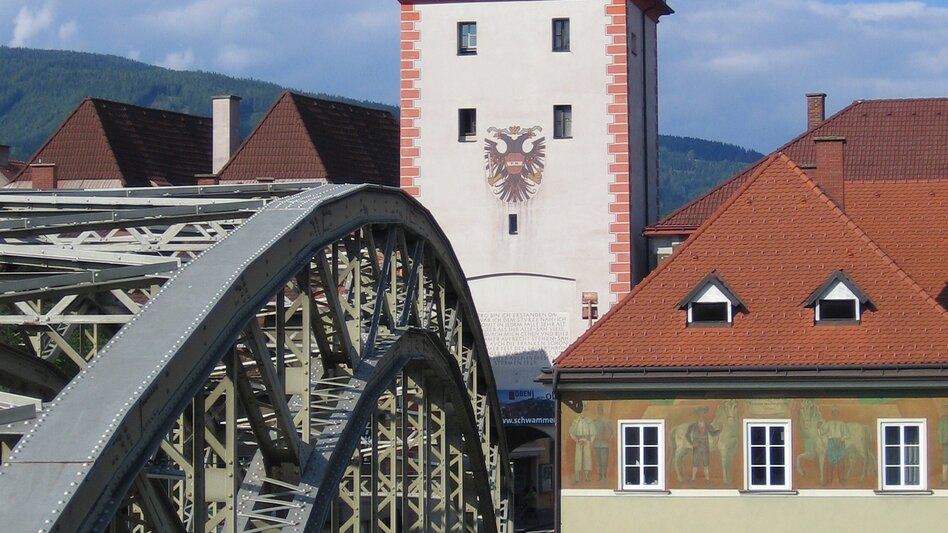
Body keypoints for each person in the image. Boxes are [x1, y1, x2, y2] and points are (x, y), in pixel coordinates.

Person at [686, 406, 720, 482]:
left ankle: (707, 479)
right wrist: (691, 443)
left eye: (702, 414)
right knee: (695, 463)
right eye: (699, 414)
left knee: (706, 463)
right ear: (697, 415)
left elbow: (713, 433)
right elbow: (687, 435)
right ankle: (693, 479)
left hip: (705, 446)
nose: (701, 416)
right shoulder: (692, 426)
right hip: (696, 447)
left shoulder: (708, 425)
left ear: (704, 415)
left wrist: (719, 430)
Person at [821, 405, 850, 486]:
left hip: (840, 442)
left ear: (839, 414)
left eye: (837, 413)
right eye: (834, 413)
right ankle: (829, 480)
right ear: (832, 414)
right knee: (829, 461)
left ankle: (841, 480)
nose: (835, 415)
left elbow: (848, 435)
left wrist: (840, 440)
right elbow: (822, 432)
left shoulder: (842, 424)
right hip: (831, 443)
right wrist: (819, 427)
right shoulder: (828, 424)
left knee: (841, 461)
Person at [569, 403, 596, 483]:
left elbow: (593, 433)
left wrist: (590, 442)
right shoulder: (576, 421)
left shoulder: (589, 421)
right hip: (579, 441)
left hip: (587, 441)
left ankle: (587, 476)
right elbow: (571, 432)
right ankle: (577, 478)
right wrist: (577, 440)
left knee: (587, 459)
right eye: (581, 411)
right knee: (578, 459)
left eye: (584, 411)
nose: (582, 413)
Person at [593, 404, 613, 481]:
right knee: (598, 461)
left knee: (604, 461)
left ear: (602, 411)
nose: (599, 412)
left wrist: (608, 438)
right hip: (597, 444)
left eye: (600, 410)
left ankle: (604, 475)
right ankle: (600, 475)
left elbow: (613, 431)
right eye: (598, 410)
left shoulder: (606, 421)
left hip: (604, 444)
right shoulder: (594, 422)